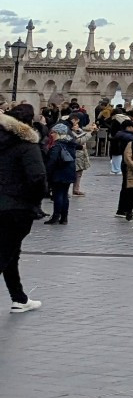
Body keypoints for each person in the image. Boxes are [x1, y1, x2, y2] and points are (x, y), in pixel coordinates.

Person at [1, 104, 48, 312]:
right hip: (17, 207)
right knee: (5, 252)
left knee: (11, 252)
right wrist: (36, 201)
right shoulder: (28, 145)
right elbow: (37, 177)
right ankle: (19, 298)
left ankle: (19, 298)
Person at [42, 123, 78, 225]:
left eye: (53, 132)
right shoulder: (71, 143)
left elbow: (52, 161)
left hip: (58, 172)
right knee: (64, 194)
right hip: (69, 171)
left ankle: (56, 216)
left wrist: (47, 174)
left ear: (58, 133)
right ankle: (64, 217)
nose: (51, 134)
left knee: (58, 194)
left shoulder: (57, 145)